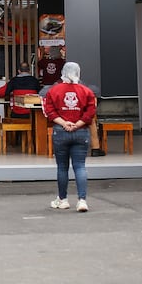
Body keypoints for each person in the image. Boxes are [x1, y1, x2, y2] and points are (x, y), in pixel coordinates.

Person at [43, 62, 97, 212]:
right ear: (78, 73)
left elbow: (49, 111)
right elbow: (90, 112)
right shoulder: (86, 91)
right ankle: (82, 200)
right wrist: (77, 124)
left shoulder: (53, 91)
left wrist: (64, 123)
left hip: (61, 132)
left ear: (62, 72)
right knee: (80, 167)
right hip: (81, 132)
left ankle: (63, 199)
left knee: (62, 168)